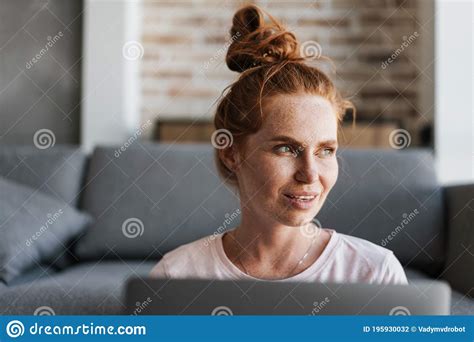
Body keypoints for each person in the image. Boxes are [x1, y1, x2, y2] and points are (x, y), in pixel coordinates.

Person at [150, 4, 408, 285]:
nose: (310, 174)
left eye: (325, 151)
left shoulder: (374, 273)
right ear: (232, 154)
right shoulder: (177, 275)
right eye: (286, 148)